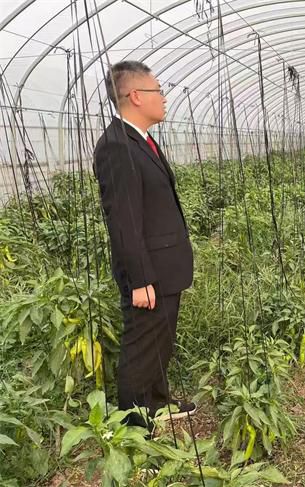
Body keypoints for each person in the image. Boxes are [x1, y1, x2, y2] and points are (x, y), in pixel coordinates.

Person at [94, 61, 195, 428]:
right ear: (136, 96)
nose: (164, 98)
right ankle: (135, 429)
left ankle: (157, 401)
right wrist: (140, 280)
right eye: (158, 91)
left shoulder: (140, 140)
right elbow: (123, 220)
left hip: (163, 268)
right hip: (148, 273)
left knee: (159, 342)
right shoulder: (117, 147)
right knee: (141, 351)